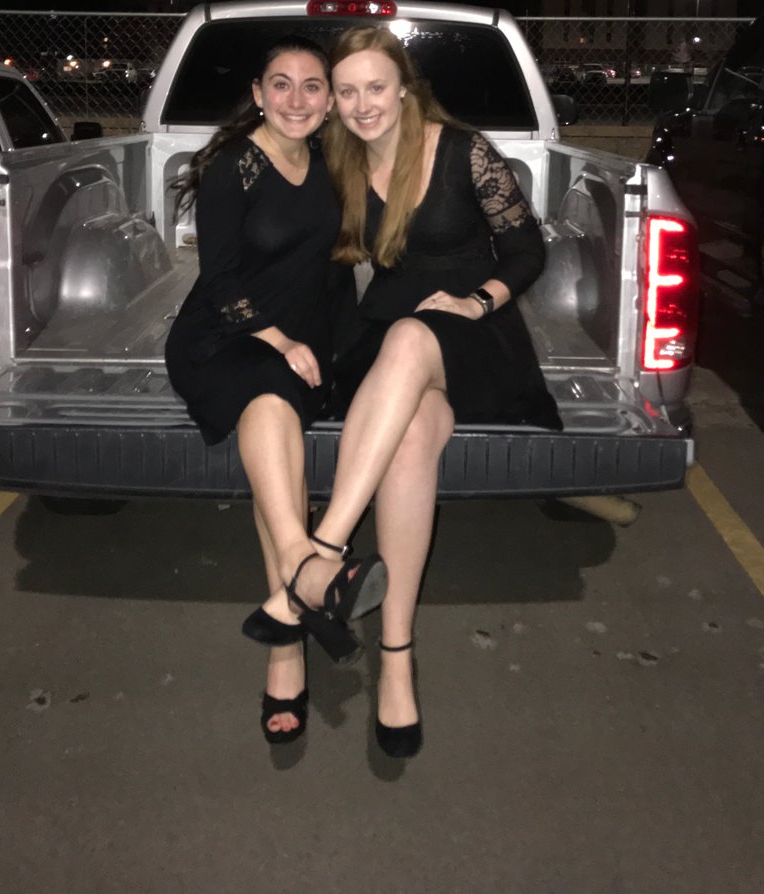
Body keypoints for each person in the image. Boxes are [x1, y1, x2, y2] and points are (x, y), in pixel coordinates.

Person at [249, 26, 561, 759]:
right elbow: (301, 246)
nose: (362, 105)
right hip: (389, 345)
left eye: (376, 88)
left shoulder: (463, 150)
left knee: (415, 335)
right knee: (414, 431)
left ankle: (322, 552)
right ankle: (396, 656)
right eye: (347, 91)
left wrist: (476, 301)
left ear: (405, 89)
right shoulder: (339, 159)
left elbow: (527, 248)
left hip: (474, 337)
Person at [164, 35, 387, 747]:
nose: (297, 98)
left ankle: (293, 600)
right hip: (225, 336)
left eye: (312, 85)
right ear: (258, 94)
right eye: (280, 84)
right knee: (268, 394)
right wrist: (281, 341)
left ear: (329, 100)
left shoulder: (332, 163)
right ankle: (300, 582)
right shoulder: (234, 167)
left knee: (278, 426)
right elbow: (220, 279)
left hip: (305, 343)